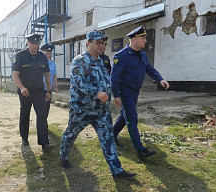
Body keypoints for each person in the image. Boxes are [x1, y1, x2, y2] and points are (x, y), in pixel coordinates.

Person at [59, 30, 137, 179]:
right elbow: (78, 83)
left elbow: (107, 81)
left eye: (104, 43)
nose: (102, 45)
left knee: (108, 138)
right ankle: (63, 155)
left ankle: (117, 170)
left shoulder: (102, 61)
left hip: (101, 110)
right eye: (98, 43)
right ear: (88, 44)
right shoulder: (79, 61)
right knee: (70, 134)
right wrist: (96, 92)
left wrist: (113, 94)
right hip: (82, 110)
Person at [110, 25, 170, 157]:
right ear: (134, 39)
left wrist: (160, 79)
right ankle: (140, 150)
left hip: (135, 92)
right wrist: (116, 95)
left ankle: (111, 136)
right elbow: (114, 78)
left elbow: (149, 69)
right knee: (132, 119)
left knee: (124, 117)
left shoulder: (142, 55)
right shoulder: (121, 56)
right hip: (124, 93)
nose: (145, 41)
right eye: (143, 38)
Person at [12, 33, 53, 151]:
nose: (35, 46)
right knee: (25, 114)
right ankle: (24, 137)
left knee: (42, 115)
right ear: (27, 43)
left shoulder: (42, 57)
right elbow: (15, 75)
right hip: (25, 91)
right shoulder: (20, 56)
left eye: (37, 43)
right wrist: (22, 88)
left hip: (39, 91)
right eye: (33, 43)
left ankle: (44, 143)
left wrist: (49, 90)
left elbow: (47, 74)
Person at [40, 43, 58, 116]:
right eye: (47, 54)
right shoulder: (39, 64)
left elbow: (54, 76)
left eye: (50, 54)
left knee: (47, 108)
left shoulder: (52, 64)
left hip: (48, 90)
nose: (49, 56)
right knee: (41, 109)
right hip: (40, 89)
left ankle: (44, 124)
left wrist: (56, 87)